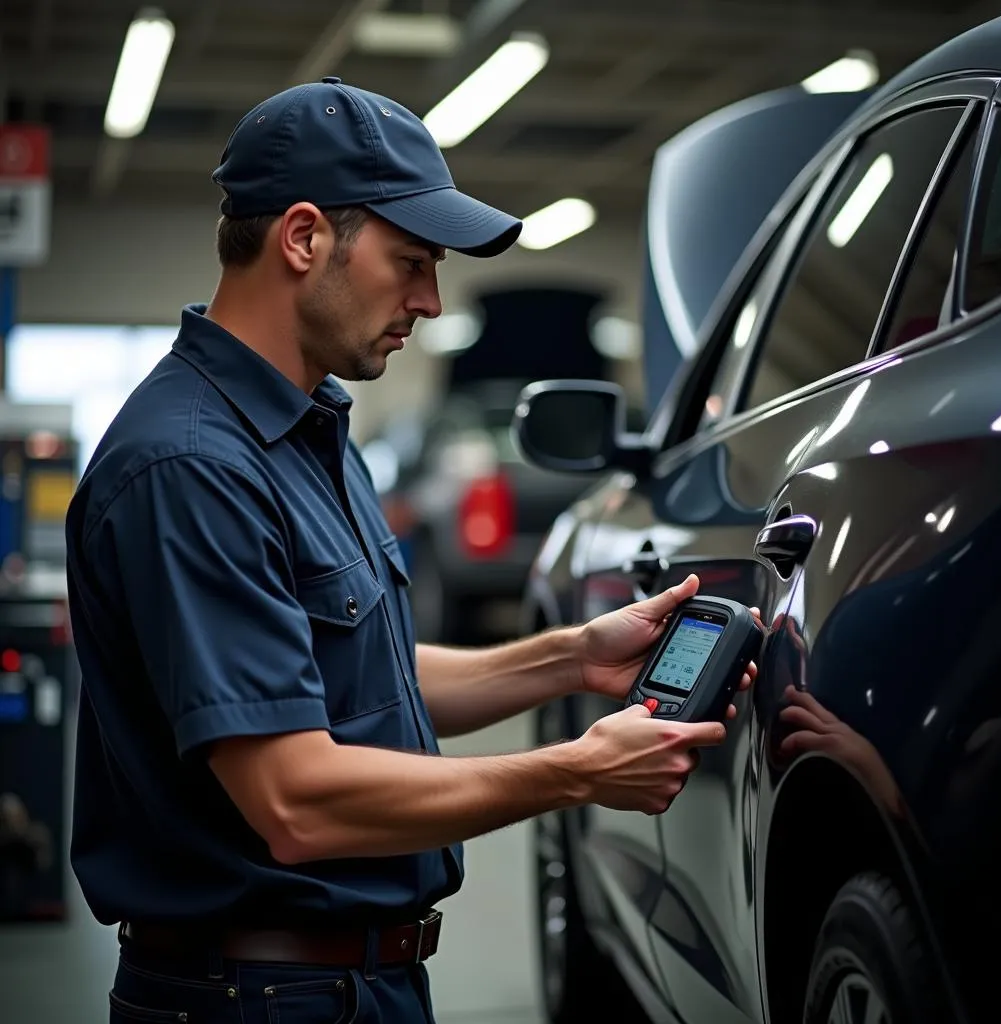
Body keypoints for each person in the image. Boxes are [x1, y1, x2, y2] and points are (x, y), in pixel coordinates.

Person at [64, 78, 760, 1024]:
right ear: (304, 239)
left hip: (351, 986)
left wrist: (568, 659)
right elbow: (296, 798)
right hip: (258, 996)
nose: (431, 301)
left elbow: (359, 678)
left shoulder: (308, 431)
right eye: (411, 262)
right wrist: (574, 772)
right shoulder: (191, 467)